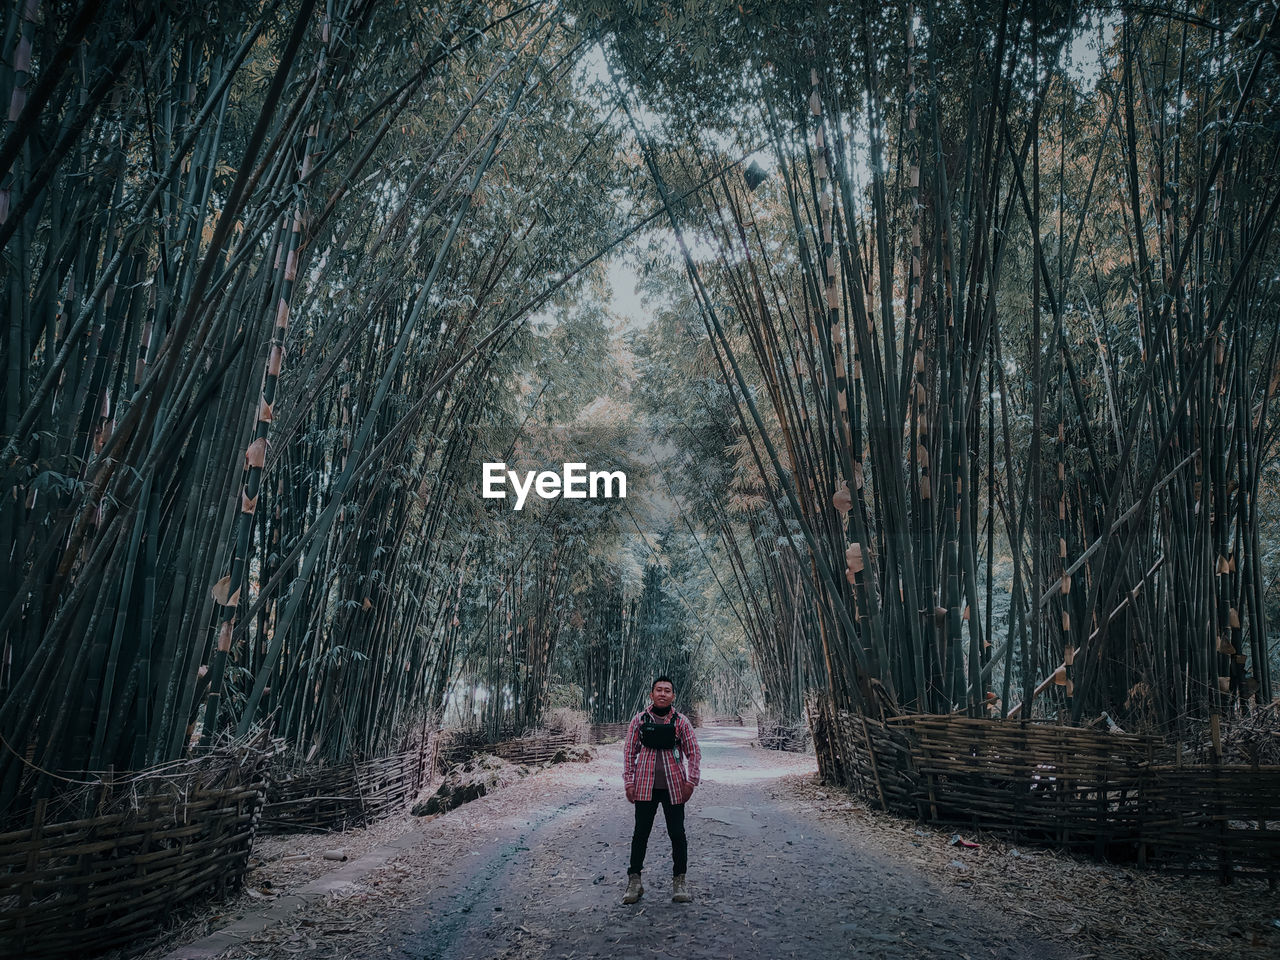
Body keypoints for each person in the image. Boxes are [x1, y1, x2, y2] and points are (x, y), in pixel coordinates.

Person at [621, 675, 701, 904]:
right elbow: (629, 753)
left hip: (675, 787)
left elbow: (694, 752)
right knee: (640, 834)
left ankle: (680, 881)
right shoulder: (639, 720)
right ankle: (634, 882)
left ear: (673, 696)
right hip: (645, 786)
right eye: (659, 689)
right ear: (651, 694)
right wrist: (629, 782)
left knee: (677, 834)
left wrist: (691, 782)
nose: (663, 694)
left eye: (667, 690)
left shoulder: (681, 721)